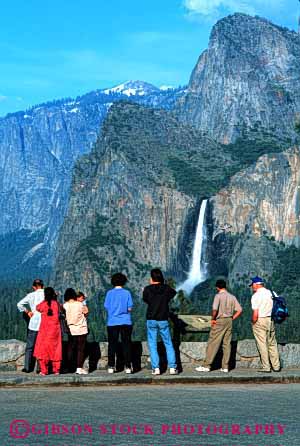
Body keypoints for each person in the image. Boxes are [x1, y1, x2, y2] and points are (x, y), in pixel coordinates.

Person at [195, 279, 242, 373]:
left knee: (213, 343)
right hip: (229, 321)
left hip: (219, 321)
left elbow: (215, 310)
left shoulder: (218, 296)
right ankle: (225, 367)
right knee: (226, 344)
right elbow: (240, 310)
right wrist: (232, 318)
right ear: (225, 286)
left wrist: (213, 319)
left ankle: (206, 366)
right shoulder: (232, 297)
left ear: (217, 287)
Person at [143, 268, 177, 375]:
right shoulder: (166, 289)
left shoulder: (147, 289)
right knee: (168, 343)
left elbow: (146, 300)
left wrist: (150, 286)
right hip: (163, 319)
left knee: (152, 344)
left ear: (152, 278)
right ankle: (172, 367)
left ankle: (156, 368)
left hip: (151, 319)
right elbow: (173, 293)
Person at [249, 276, 281, 373]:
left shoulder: (255, 296)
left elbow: (255, 314)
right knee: (272, 343)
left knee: (262, 344)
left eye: (252, 285)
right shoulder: (272, 293)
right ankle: (276, 366)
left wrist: (253, 322)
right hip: (270, 320)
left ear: (256, 284)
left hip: (260, 320)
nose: (251, 287)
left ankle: (266, 367)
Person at [104, 273, 133, 374]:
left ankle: (111, 366)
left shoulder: (109, 293)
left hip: (112, 322)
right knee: (126, 344)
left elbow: (107, 307)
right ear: (124, 281)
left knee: (112, 344)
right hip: (125, 321)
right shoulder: (127, 293)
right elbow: (130, 308)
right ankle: (128, 366)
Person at [17, 279, 44, 373]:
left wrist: (27, 311)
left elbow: (19, 304)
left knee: (30, 346)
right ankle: (40, 368)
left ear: (34, 287)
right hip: (44, 323)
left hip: (33, 323)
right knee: (41, 346)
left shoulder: (31, 295)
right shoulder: (47, 294)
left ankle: (27, 367)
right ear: (42, 285)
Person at [33, 287, 62, 375]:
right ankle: (56, 370)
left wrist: (46, 299)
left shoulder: (43, 304)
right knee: (56, 349)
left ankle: (44, 370)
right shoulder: (56, 304)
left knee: (43, 349)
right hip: (55, 331)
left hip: (44, 330)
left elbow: (37, 308)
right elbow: (61, 309)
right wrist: (55, 298)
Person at [63, 288, 89, 375]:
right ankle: (79, 368)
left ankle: (69, 367)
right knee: (80, 349)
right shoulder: (80, 304)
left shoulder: (65, 305)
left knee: (70, 348)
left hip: (71, 329)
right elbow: (86, 312)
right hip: (81, 329)